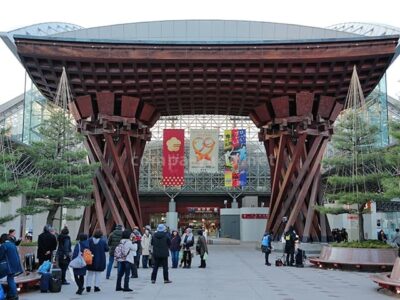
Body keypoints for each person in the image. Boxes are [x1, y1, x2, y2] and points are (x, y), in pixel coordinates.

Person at [0, 233, 23, 300]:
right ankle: (11, 294)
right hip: (15, 265)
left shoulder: (4, 246)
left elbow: (0, 256)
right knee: (10, 279)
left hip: (9, 266)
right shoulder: (12, 244)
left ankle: (15, 295)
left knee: (10, 279)